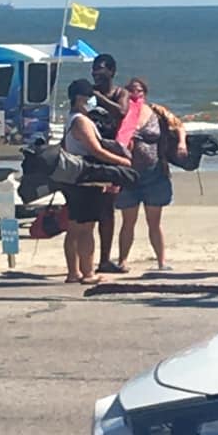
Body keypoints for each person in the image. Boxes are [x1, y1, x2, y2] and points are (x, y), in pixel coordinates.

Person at [62, 79, 132, 285]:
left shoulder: (70, 118)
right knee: (86, 228)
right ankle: (88, 273)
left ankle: (73, 272)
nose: (93, 101)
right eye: (89, 97)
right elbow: (96, 149)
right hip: (87, 179)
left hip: (73, 178)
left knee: (74, 227)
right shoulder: (81, 121)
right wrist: (122, 162)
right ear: (80, 98)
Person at [115, 78, 186, 272]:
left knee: (154, 222)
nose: (135, 93)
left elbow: (178, 125)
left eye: (139, 90)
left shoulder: (156, 111)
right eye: (131, 90)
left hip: (154, 173)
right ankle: (122, 261)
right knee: (128, 222)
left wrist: (182, 144)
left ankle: (161, 262)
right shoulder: (122, 113)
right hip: (128, 175)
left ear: (145, 93)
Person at [90, 54, 130, 273]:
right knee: (87, 210)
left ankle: (104, 259)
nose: (96, 73)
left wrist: (99, 97)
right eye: (94, 69)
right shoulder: (89, 93)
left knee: (107, 209)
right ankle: (84, 259)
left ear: (112, 72)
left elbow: (122, 112)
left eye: (101, 69)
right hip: (91, 152)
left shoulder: (120, 93)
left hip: (111, 154)